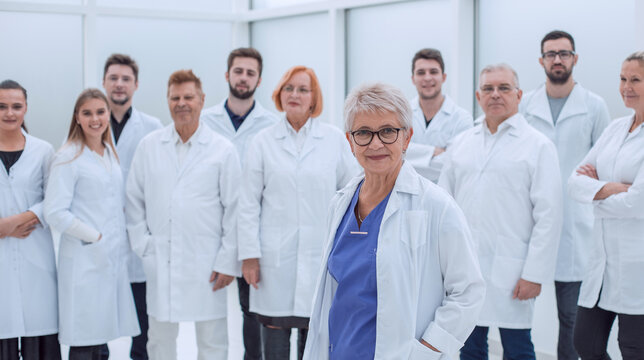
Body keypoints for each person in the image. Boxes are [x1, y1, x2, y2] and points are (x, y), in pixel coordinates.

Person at [303, 82, 485, 360]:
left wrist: (427, 351)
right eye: (363, 133)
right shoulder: (340, 203)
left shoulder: (436, 206)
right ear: (350, 142)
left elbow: (468, 292)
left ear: (407, 138)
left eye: (388, 131)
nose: (376, 143)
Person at [439, 64, 563, 360]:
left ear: (519, 95)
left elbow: (550, 216)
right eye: (488, 89)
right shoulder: (461, 144)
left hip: (513, 269)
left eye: (504, 88)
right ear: (478, 96)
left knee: (518, 348)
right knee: (469, 347)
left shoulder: (538, 146)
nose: (496, 94)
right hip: (466, 267)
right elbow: (443, 206)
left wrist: (535, 274)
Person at [237, 66, 357, 360]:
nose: (295, 95)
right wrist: (249, 255)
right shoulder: (263, 141)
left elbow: (353, 195)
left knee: (314, 343)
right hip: (273, 262)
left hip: (321, 257)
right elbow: (248, 203)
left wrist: (349, 251)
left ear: (314, 98)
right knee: (273, 345)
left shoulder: (334, 140)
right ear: (279, 94)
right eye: (289, 89)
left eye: (303, 89)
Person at [126, 69, 240, 360]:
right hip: (161, 258)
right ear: (167, 101)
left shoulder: (222, 149)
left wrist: (228, 260)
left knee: (213, 343)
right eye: (175, 97)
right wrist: (143, 245)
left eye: (188, 97)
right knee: (159, 342)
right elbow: (133, 200)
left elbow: (235, 208)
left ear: (202, 100)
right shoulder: (150, 146)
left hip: (208, 262)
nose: (182, 103)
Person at [519, 31, 611, 360]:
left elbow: (606, 165)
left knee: (571, 319)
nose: (557, 59)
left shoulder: (594, 107)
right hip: (528, 221)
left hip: (576, 226)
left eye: (564, 53)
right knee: (516, 317)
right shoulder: (526, 105)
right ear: (541, 60)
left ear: (575, 58)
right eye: (551, 54)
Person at [44, 88, 139, 359]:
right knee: (85, 338)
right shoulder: (68, 156)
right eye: (87, 113)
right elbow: (54, 212)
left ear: (108, 114)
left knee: (101, 337)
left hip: (110, 259)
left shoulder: (109, 151)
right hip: (85, 259)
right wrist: (93, 236)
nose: (94, 119)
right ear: (77, 118)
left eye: (100, 112)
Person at [200, 48, 278, 360]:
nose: (243, 78)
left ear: (259, 79)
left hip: (252, 232)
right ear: (227, 74)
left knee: (252, 313)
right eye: (238, 71)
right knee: (209, 314)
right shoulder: (205, 121)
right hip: (211, 230)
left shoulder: (271, 125)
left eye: (250, 72)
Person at [568, 51, 644, 360]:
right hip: (601, 264)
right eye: (623, 79)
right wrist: (615, 189)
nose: (627, 87)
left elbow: (637, 204)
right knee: (585, 343)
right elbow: (574, 182)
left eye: (636, 79)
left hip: (637, 267)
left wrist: (595, 194)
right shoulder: (615, 128)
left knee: (633, 348)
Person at [102, 53, 163, 360]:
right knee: (97, 322)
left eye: (126, 79)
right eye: (113, 78)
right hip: (100, 238)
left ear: (136, 85)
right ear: (104, 82)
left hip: (139, 237)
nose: (119, 84)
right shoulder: (89, 123)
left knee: (143, 324)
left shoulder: (152, 127)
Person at [0, 80, 61, 360]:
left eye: (16, 106)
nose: (9, 113)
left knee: (39, 327)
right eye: (1, 106)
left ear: (26, 109)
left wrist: (15, 222)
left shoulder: (43, 151)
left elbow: (55, 199)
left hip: (35, 253)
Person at [405, 48, 473, 182]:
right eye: (421, 72)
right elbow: (392, 155)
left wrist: (410, 154)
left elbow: (457, 166)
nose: (427, 77)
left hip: (445, 195)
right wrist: (433, 152)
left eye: (433, 72)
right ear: (413, 79)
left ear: (443, 77)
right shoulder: (400, 115)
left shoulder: (462, 118)